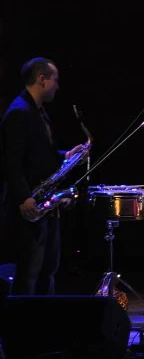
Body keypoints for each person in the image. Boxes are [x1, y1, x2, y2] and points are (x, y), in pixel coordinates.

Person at [1, 58, 85, 295]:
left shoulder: (38, 112)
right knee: (29, 273)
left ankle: (42, 325)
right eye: (55, 80)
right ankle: (21, 328)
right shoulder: (19, 112)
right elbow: (11, 163)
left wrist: (67, 155)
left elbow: (41, 154)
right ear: (42, 80)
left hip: (44, 206)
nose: (58, 86)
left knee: (47, 269)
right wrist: (24, 198)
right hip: (29, 207)